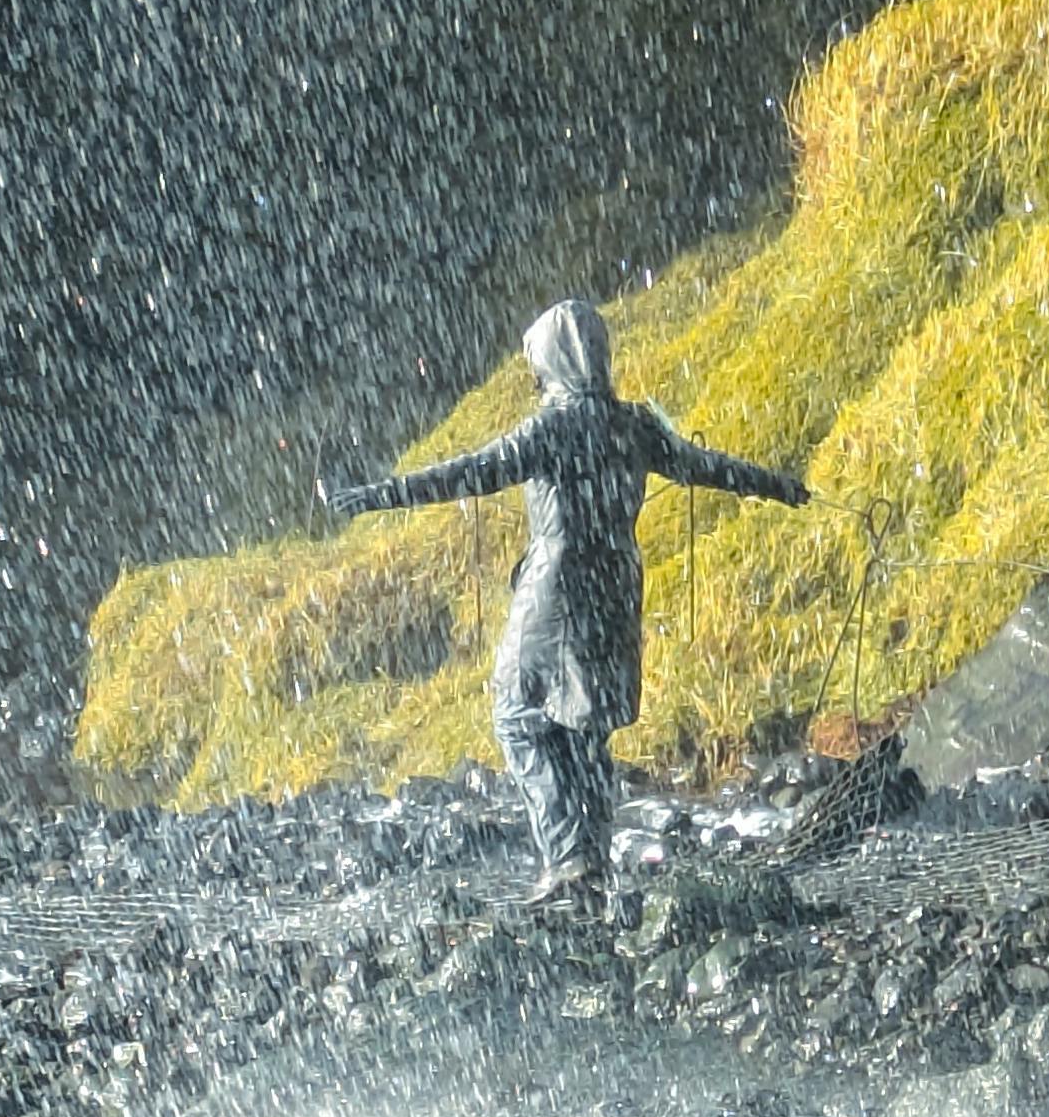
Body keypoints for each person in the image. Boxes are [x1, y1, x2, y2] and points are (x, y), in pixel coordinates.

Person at [327, 296, 809, 909]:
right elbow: (704, 466)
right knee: (584, 726)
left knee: (519, 712)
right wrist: (776, 484)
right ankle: (592, 862)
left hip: (556, 587)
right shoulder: (634, 425)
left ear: (552, 362)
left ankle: (569, 860)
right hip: (617, 583)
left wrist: (382, 495)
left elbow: (470, 473)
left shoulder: (551, 428)